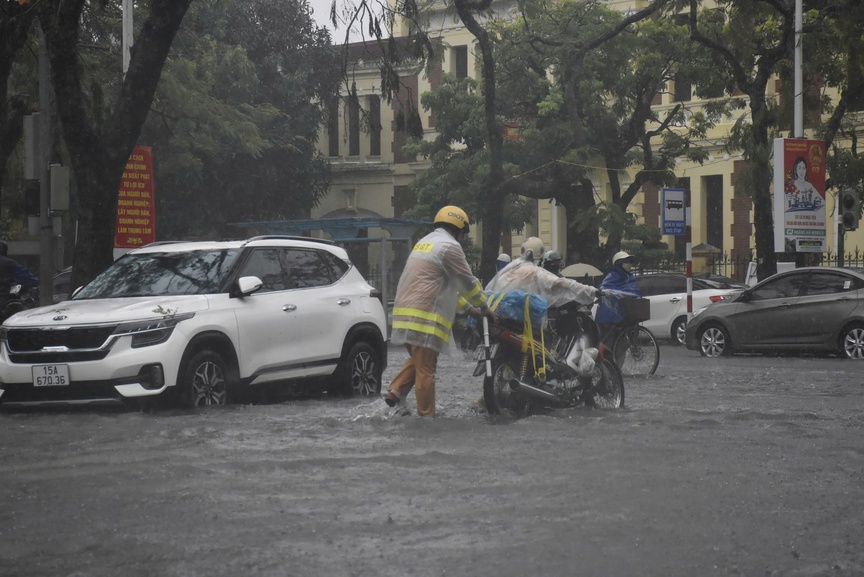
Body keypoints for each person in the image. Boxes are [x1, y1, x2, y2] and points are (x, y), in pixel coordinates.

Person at [384, 206, 495, 416]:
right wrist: (485, 307)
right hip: (423, 316)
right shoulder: (450, 246)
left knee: (420, 357)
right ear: (459, 229)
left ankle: (396, 391)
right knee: (426, 368)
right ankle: (426, 417)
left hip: (404, 313)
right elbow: (467, 282)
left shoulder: (426, 242)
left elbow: (445, 289)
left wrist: (469, 309)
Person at [484, 237, 599, 373]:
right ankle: (546, 372)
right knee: (544, 342)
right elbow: (563, 284)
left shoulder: (508, 271)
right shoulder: (535, 272)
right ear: (541, 256)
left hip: (500, 317)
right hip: (522, 321)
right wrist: (591, 291)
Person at [594, 251, 641, 341]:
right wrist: (610, 292)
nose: (629, 265)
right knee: (609, 336)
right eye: (626, 262)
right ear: (619, 263)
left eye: (630, 262)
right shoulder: (612, 276)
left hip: (625, 311)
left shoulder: (629, 277)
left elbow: (634, 291)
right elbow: (604, 288)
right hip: (611, 312)